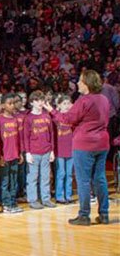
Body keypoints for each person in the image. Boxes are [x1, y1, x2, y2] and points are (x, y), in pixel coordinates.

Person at [44, 69, 110, 225]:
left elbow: (67, 119)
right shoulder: (104, 99)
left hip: (85, 144)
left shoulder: (84, 100)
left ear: (86, 83)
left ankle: (84, 215)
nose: (78, 83)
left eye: (80, 81)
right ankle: (104, 213)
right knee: (100, 179)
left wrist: (51, 111)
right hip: (102, 142)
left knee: (83, 180)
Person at [24, 90, 56, 209]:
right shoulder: (28, 118)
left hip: (46, 150)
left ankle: (46, 198)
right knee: (33, 177)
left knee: (46, 176)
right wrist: (27, 152)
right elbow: (25, 137)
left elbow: (51, 133)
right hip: (34, 151)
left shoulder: (47, 116)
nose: (40, 103)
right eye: (37, 100)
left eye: (42, 100)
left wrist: (52, 150)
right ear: (32, 102)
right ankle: (32, 199)